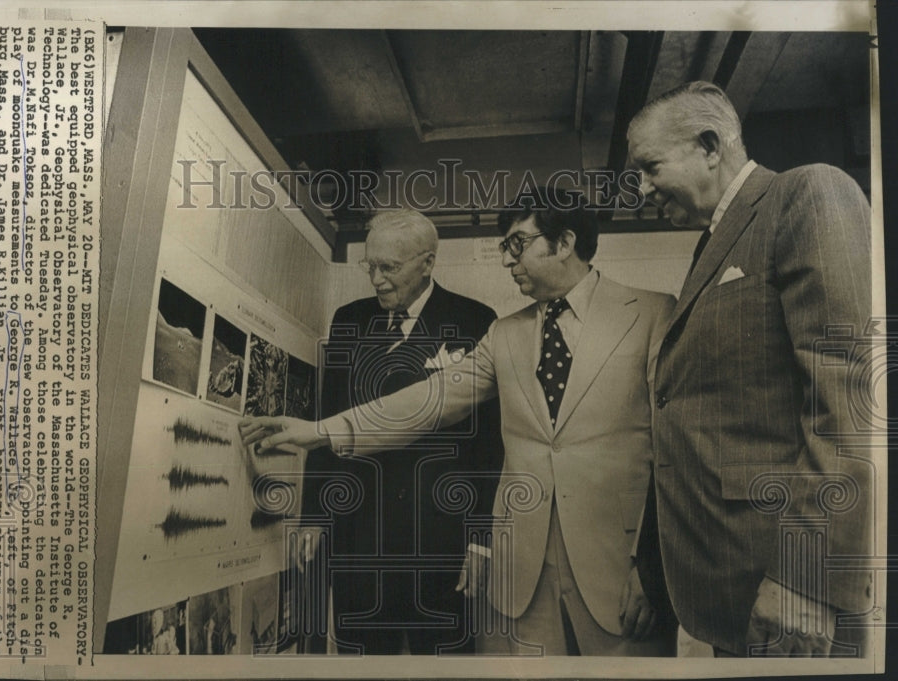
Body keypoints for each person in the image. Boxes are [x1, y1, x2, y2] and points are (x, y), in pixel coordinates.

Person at [242, 192, 678, 656]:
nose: (506, 260)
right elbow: (429, 400)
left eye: (518, 244)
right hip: (524, 576)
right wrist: (320, 431)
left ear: (565, 241)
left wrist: (650, 568)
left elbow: (672, 454)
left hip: (619, 570)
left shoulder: (653, 314)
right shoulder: (504, 333)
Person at [625, 81, 874, 656]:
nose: (639, 189)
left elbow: (852, 397)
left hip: (792, 594)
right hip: (736, 588)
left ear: (710, 146)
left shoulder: (809, 192)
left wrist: (807, 576)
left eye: (649, 166)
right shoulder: (713, 245)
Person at [299, 209, 504, 654]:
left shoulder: (476, 321)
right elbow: (327, 419)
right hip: (359, 535)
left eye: (388, 268)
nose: (376, 280)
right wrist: (314, 515)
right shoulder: (349, 321)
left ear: (427, 262)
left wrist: (480, 541)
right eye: (369, 266)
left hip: (441, 539)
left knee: (445, 662)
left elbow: (490, 446)